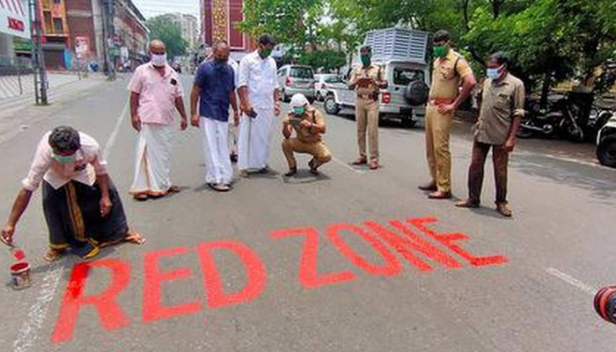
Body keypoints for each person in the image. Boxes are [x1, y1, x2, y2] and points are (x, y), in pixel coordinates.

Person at [0, 127, 145, 262]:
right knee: (51, 204)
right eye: (60, 155)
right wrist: (11, 224)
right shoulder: (44, 153)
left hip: (82, 173)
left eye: (68, 155)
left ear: (77, 148)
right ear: (53, 149)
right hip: (55, 175)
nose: (65, 158)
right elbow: (27, 189)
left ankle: (120, 233)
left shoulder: (90, 147)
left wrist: (105, 197)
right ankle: (58, 246)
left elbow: (101, 172)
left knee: (109, 194)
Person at [456, 52, 525, 217]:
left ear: (503, 66)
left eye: (493, 67)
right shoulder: (487, 82)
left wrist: (511, 138)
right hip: (482, 131)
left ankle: (501, 202)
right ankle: (473, 198)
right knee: (475, 166)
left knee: (500, 170)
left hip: (501, 134)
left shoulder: (515, 85)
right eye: (488, 67)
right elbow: (480, 101)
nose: (490, 70)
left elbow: (518, 113)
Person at [127, 39, 188, 201]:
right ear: (150, 53)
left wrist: (184, 116)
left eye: (162, 53)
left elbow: (178, 97)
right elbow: (134, 94)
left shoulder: (172, 73)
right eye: (157, 53)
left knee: (163, 154)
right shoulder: (141, 71)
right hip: (147, 117)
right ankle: (142, 188)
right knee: (145, 152)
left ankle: (163, 184)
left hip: (166, 119)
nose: (160, 56)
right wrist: (133, 115)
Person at [419, 30, 477, 199]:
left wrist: (454, 105)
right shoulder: (437, 60)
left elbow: (471, 81)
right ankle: (435, 179)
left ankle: (444, 187)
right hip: (431, 106)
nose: (437, 48)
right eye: (435, 45)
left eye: (440, 44)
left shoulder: (457, 60)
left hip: (443, 108)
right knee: (430, 148)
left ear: (448, 43)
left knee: (441, 148)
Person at [190, 41, 240, 192]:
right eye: (219, 55)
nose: (222, 59)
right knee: (211, 146)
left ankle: (225, 176)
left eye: (225, 57)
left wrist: (236, 111)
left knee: (222, 147)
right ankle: (215, 178)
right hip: (207, 113)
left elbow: (231, 93)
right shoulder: (204, 68)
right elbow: (195, 91)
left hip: (223, 113)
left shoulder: (230, 70)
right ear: (213, 52)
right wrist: (193, 113)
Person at [237, 34, 281, 177]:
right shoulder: (247, 61)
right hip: (252, 105)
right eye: (268, 48)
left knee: (265, 136)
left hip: (267, 105)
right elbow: (242, 84)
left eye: (272, 49)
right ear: (260, 45)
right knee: (247, 135)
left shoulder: (272, 62)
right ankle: (244, 167)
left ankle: (262, 164)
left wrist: (277, 103)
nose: (270, 52)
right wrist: (245, 104)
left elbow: (275, 85)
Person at [348, 45, 387, 170]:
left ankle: (374, 158)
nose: (364, 57)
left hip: (372, 101)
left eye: (366, 54)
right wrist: (356, 82)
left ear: (370, 55)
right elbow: (350, 85)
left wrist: (376, 83)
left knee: (372, 131)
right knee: (360, 130)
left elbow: (385, 83)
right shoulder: (356, 69)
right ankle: (362, 155)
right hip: (360, 100)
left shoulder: (378, 68)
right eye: (362, 55)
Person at [282, 94, 332, 177]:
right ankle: (292, 166)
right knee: (285, 143)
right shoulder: (291, 115)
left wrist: (310, 125)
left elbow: (323, 129)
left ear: (305, 105)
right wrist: (285, 125)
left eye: (299, 108)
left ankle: (314, 164)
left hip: (314, 143)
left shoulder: (314, 113)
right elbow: (287, 135)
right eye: (295, 108)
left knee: (327, 156)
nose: (297, 110)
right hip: (300, 141)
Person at [228, 58, 240, 163]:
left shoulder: (234, 65)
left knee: (233, 127)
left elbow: (237, 85)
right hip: (214, 102)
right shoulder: (208, 63)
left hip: (232, 99)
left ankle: (233, 151)